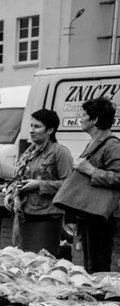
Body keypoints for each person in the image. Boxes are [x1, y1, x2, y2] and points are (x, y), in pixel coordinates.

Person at [6, 109, 72, 257]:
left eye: (37, 127)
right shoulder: (29, 153)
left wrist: (38, 185)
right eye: (31, 126)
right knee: (25, 262)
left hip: (47, 217)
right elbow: (17, 178)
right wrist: (11, 193)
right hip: (25, 214)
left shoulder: (60, 152)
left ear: (50, 130)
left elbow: (68, 185)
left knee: (42, 262)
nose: (32, 130)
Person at [71, 96, 120, 272]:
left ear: (95, 120)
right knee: (90, 265)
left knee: (97, 267)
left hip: (101, 214)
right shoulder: (94, 142)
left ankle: (101, 299)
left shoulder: (112, 145)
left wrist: (90, 170)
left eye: (84, 115)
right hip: (89, 212)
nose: (80, 119)